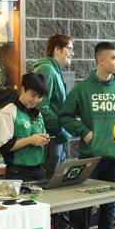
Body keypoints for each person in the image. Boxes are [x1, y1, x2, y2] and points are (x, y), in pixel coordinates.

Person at [59, 41, 115, 229]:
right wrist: (84, 132)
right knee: (81, 203)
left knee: (109, 203)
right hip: (89, 155)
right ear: (101, 60)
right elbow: (64, 116)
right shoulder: (83, 89)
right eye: (114, 57)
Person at [32, 33, 74, 178]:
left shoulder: (53, 69)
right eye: (70, 49)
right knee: (50, 183)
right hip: (50, 138)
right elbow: (40, 107)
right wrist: (59, 130)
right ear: (57, 49)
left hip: (55, 137)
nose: (72, 54)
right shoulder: (47, 69)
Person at [0, 72, 50, 182]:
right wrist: (31, 140)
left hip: (40, 170)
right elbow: (4, 146)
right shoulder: (8, 112)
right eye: (33, 95)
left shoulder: (37, 114)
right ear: (22, 90)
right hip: (18, 173)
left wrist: (44, 138)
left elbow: (39, 135)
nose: (36, 100)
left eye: (40, 97)